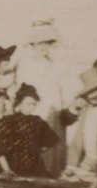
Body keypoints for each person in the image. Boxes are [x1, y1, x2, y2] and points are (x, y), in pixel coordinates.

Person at [12, 19, 68, 174]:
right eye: (40, 43)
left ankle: (53, 175)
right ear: (32, 44)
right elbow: (24, 93)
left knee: (55, 149)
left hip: (53, 111)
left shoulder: (52, 62)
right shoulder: (27, 64)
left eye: (47, 43)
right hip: (37, 112)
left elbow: (58, 89)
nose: (44, 47)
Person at [0, 84, 62, 177]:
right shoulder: (8, 121)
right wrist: (7, 169)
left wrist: (36, 150)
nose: (31, 107)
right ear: (19, 104)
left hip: (33, 168)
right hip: (10, 167)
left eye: (34, 104)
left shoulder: (38, 121)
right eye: (28, 104)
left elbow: (52, 140)